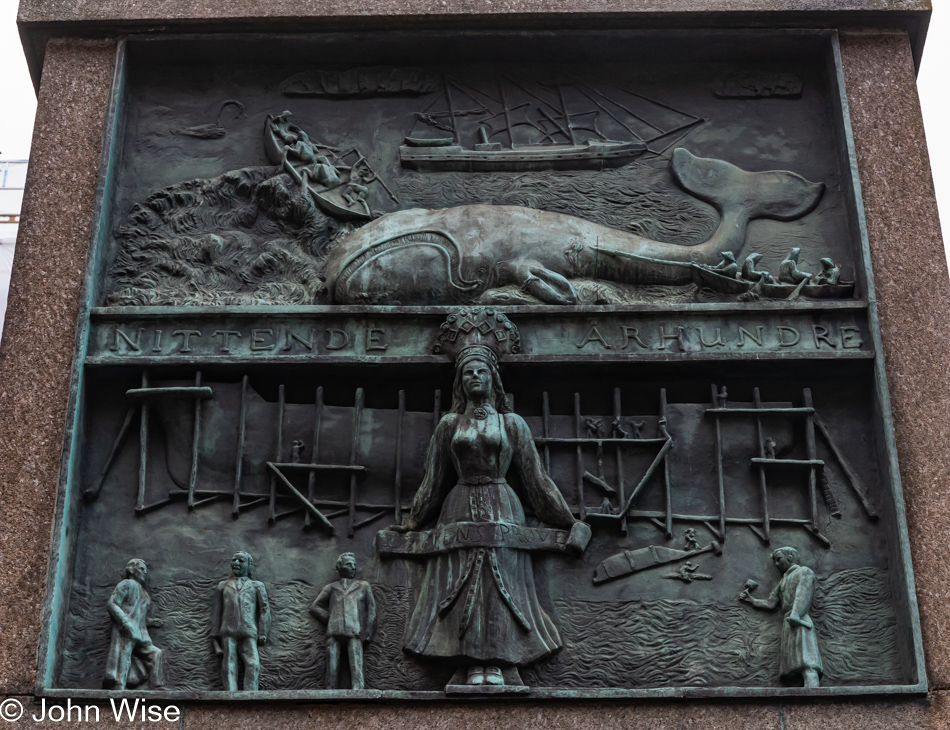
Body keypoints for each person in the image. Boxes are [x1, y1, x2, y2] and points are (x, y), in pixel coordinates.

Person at [389, 342, 584, 688]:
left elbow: (537, 480)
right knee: (460, 582)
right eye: (468, 372)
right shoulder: (449, 425)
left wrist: (568, 522)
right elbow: (433, 482)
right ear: (460, 382)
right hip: (459, 505)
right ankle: (464, 662)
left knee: (499, 582)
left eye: (481, 371)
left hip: (502, 504)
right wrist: (411, 523)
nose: (474, 377)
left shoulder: (512, 424)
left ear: (493, 378)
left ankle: (497, 662)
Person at [738, 546, 823, 687]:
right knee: (795, 665)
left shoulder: (804, 572)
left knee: (808, 664)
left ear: (790, 557)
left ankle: (813, 699)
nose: (776, 564)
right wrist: (752, 600)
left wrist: (796, 613)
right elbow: (771, 603)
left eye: (779, 559)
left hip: (800, 620)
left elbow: (803, 594)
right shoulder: (783, 581)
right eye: (775, 562)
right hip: (789, 622)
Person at [310, 553, 377, 689]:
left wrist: (368, 632)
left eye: (354, 565)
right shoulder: (331, 587)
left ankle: (359, 695)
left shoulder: (363, 586)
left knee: (356, 669)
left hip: (355, 632)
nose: (353, 568)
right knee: (332, 670)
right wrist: (332, 619)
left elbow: (371, 610)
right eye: (348, 564)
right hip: (334, 633)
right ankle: (329, 696)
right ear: (339, 567)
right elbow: (314, 607)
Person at [211, 551, 271, 691]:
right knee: (229, 663)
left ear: (249, 565)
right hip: (228, 630)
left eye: (240, 561)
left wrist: (263, 631)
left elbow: (264, 609)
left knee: (253, 663)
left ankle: (251, 694)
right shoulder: (223, 586)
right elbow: (216, 612)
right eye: (234, 560)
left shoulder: (257, 586)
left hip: (249, 630)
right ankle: (230, 694)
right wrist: (214, 635)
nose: (236, 563)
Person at [103, 558, 164, 690]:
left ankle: (156, 687)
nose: (145, 572)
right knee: (123, 658)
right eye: (142, 569)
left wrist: (152, 622)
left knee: (156, 654)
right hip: (126, 630)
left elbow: (139, 617)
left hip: (141, 633)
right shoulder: (127, 584)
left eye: (146, 570)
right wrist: (125, 622)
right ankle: (119, 688)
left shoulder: (145, 594)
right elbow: (112, 604)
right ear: (131, 570)